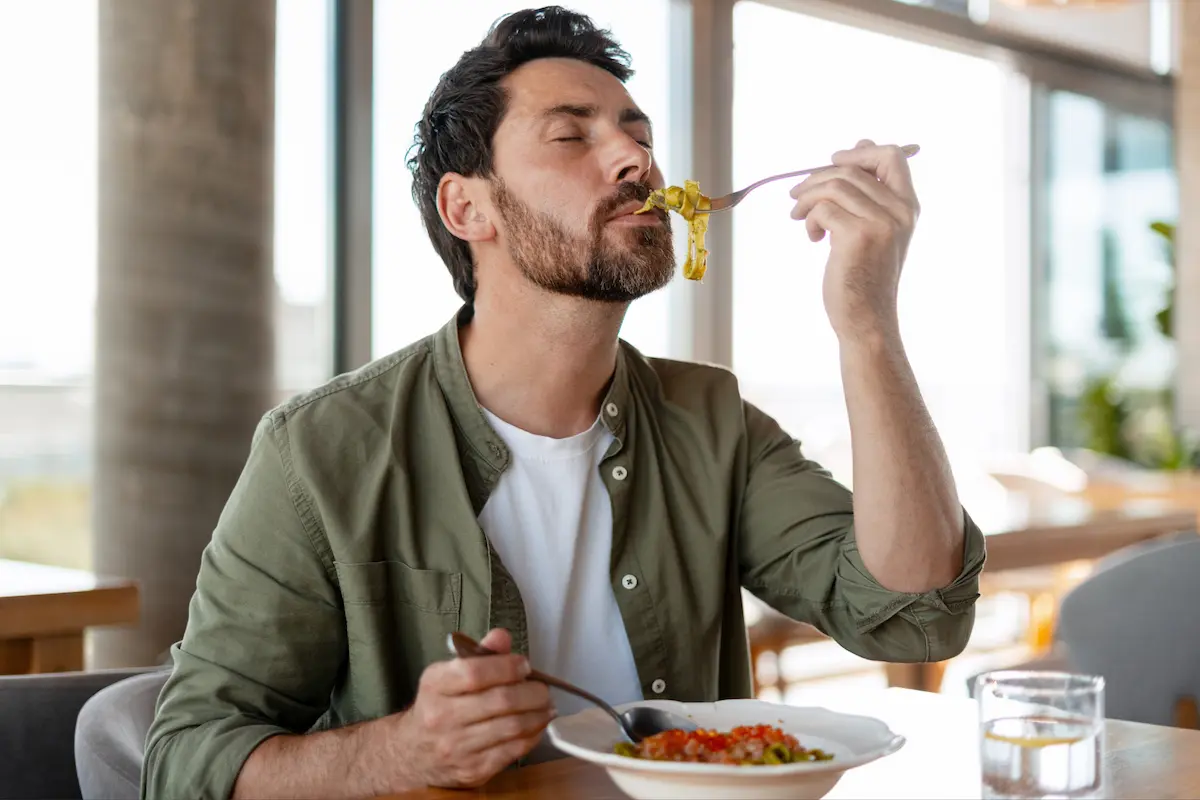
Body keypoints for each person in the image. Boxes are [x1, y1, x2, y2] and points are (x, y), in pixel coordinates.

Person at [141, 6, 985, 799]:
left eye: (637, 137)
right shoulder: (320, 451)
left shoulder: (710, 420)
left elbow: (914, 617)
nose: (634, 162)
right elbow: (184, 759)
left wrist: (867, 325)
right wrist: (403, 750)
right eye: (570, 135)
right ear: (466, 206)